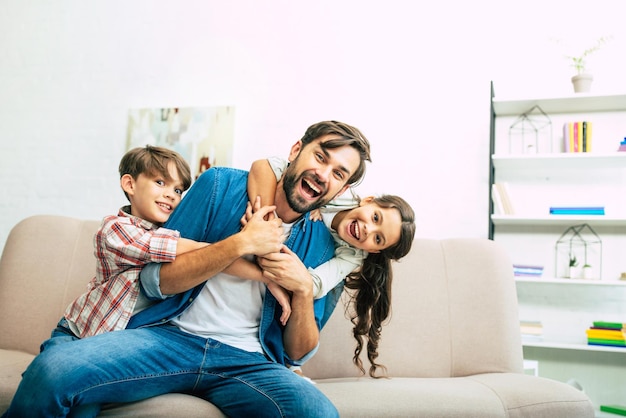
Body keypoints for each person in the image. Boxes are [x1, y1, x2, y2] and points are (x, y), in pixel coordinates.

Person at [3, 120, 371, 418]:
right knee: (52, 371)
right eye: (320, 157)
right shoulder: (218, 186)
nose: (324, 174)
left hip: (248, 364)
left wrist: (304, 290)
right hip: (170, 338)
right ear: (295, 151)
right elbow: (156, 279)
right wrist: (240, 243)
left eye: (338, 173)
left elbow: (297, 353)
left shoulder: (326, 247)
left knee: (317, 412)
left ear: (342, 188)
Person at [248, 156, 416, 377]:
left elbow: (316, 283)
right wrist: (314, 205)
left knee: (328, 288)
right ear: (367, 200)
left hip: (308, 267)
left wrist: (292, 279)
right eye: (375, 217)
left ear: (374, 251)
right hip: (291, 241)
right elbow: (271, 165)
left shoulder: (353, 255)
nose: (368, 230)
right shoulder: (341, 193)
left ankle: (292, 360)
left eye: (377, 239)